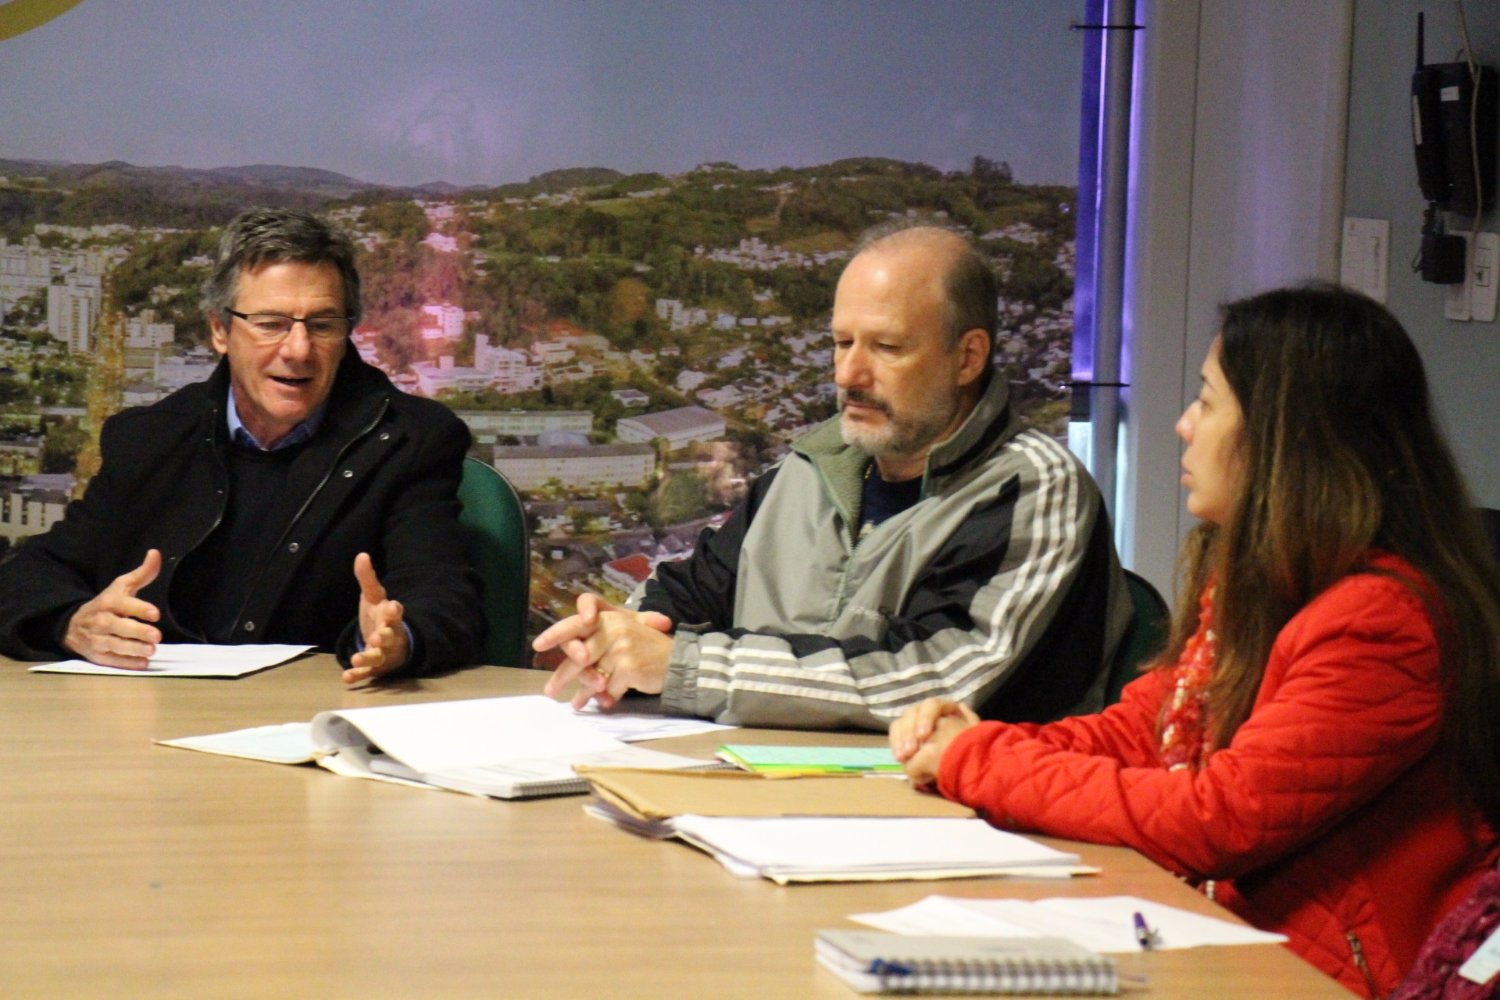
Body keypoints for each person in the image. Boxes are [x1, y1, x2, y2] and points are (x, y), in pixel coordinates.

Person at [889, 284, 1500, 996]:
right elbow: (1148, 730)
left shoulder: (1383, 620)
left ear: (1284, 438)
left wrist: (979, 760)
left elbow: (1217, 817)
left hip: (1334, 980)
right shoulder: (1265, 577)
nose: (1184, 425)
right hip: (1239, 942)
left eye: (1208, 403)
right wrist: (981, 743)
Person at [536, 224, 1130, 729]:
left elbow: (937, 682)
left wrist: (684, 667)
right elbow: (689, 596)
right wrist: (619, 637)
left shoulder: (1032, 487)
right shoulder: (807, 467)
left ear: (968, 357)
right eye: (842, 343)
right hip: (766, 796)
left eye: (887, 347)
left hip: (964, 829)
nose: (850, 373)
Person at [0, 207, 482, 683]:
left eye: (322, 324)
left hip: (312, 715)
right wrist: (71, 624)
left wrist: (397, 640)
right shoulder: (153, 437)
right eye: (270, 323)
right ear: (219, 330)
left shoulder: (410, 440)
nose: (297, 349)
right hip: (149, 715)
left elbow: (443, 596)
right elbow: (33, 573)